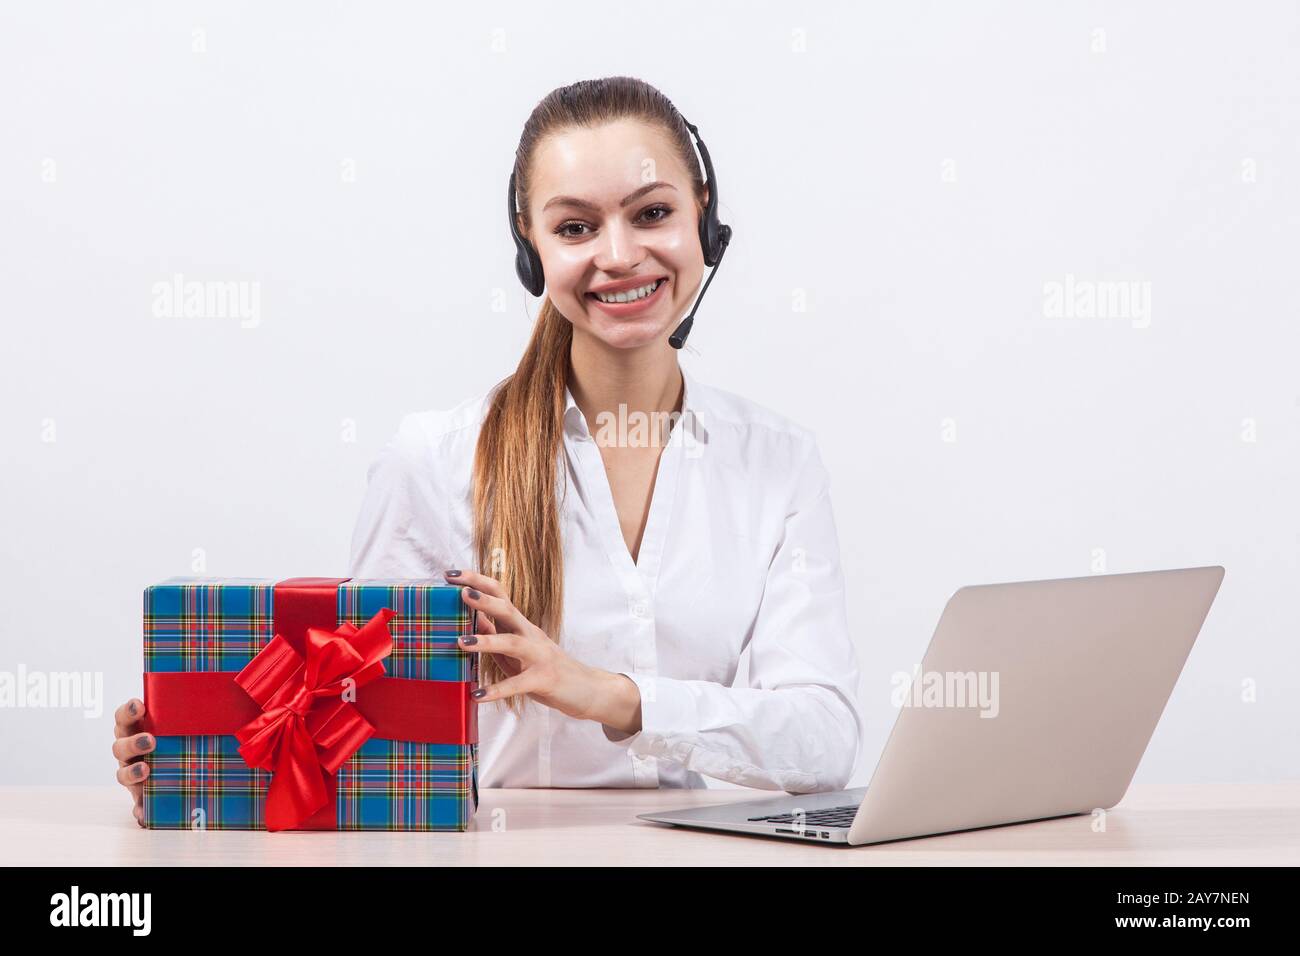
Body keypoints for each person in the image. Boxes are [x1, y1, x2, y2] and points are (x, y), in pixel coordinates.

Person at [114, 75, 862, 823]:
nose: (620, 254)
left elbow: (824, 740)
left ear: (706, 220)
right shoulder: (435, 459)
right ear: (530, 250)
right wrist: (188, 774)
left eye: (653, 213)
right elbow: (360, 720)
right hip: (486, 848)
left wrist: (607, 694)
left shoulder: (778, 462)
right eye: (574, 228)